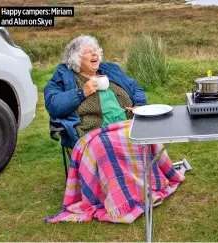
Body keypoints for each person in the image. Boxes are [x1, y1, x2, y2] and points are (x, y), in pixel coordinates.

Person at [44, 35, 187, 223]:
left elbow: (134, 86)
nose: (94, 53)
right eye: (88, 52)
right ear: (75, 59)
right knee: (105, 147)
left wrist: (139, 104)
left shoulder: (110, 70)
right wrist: (82, 92)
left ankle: (147, 187)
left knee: (144, 133)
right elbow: (53, 104)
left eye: (96, 50)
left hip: (126, 122)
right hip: (93, 131)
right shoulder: (64, 76)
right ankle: (121, 200)